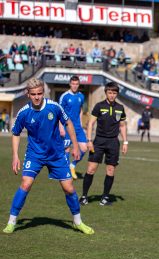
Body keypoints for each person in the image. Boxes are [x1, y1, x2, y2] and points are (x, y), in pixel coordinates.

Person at [3, 78, 94, 235]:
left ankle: (78, 222)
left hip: (56, 154)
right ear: (28, 94)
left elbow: (69, 123)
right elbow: (16, 133)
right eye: (33, 94)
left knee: (69, 187)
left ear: (43, 92)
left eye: (40, 93)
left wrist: (76, 145)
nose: (37, 97)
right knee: (25, 184)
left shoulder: (54, 107)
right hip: (34, 154)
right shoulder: (24, 112)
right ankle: (12, 221)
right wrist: (15, 156)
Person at [80, 82, 128, 206]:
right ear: (106, 93)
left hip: (113, 142)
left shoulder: (120, 108)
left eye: (114, 93)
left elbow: (122, 125)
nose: (112, 95)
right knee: (91, 169)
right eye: (110, 93)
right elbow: (90, 123)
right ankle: (84, 196)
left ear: (117, 94)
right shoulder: (99, 106)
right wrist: (89, 140)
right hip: (99, 141)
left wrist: (125, 142)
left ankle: (105, 198)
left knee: (111, 170)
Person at [59, 76, 88, 180]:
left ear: (78, 85)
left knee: (84, 148)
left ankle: (73, 165)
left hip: (77, 127)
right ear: (70, 84)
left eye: (77, 84)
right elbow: (59, 112)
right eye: (73, 84)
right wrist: (61, 127)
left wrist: (80, 123)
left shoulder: (81, 96)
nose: (75, 86)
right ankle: (66, 172)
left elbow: (80, 110)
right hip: (67, 127)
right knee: (67, 148)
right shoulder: (64, 96)